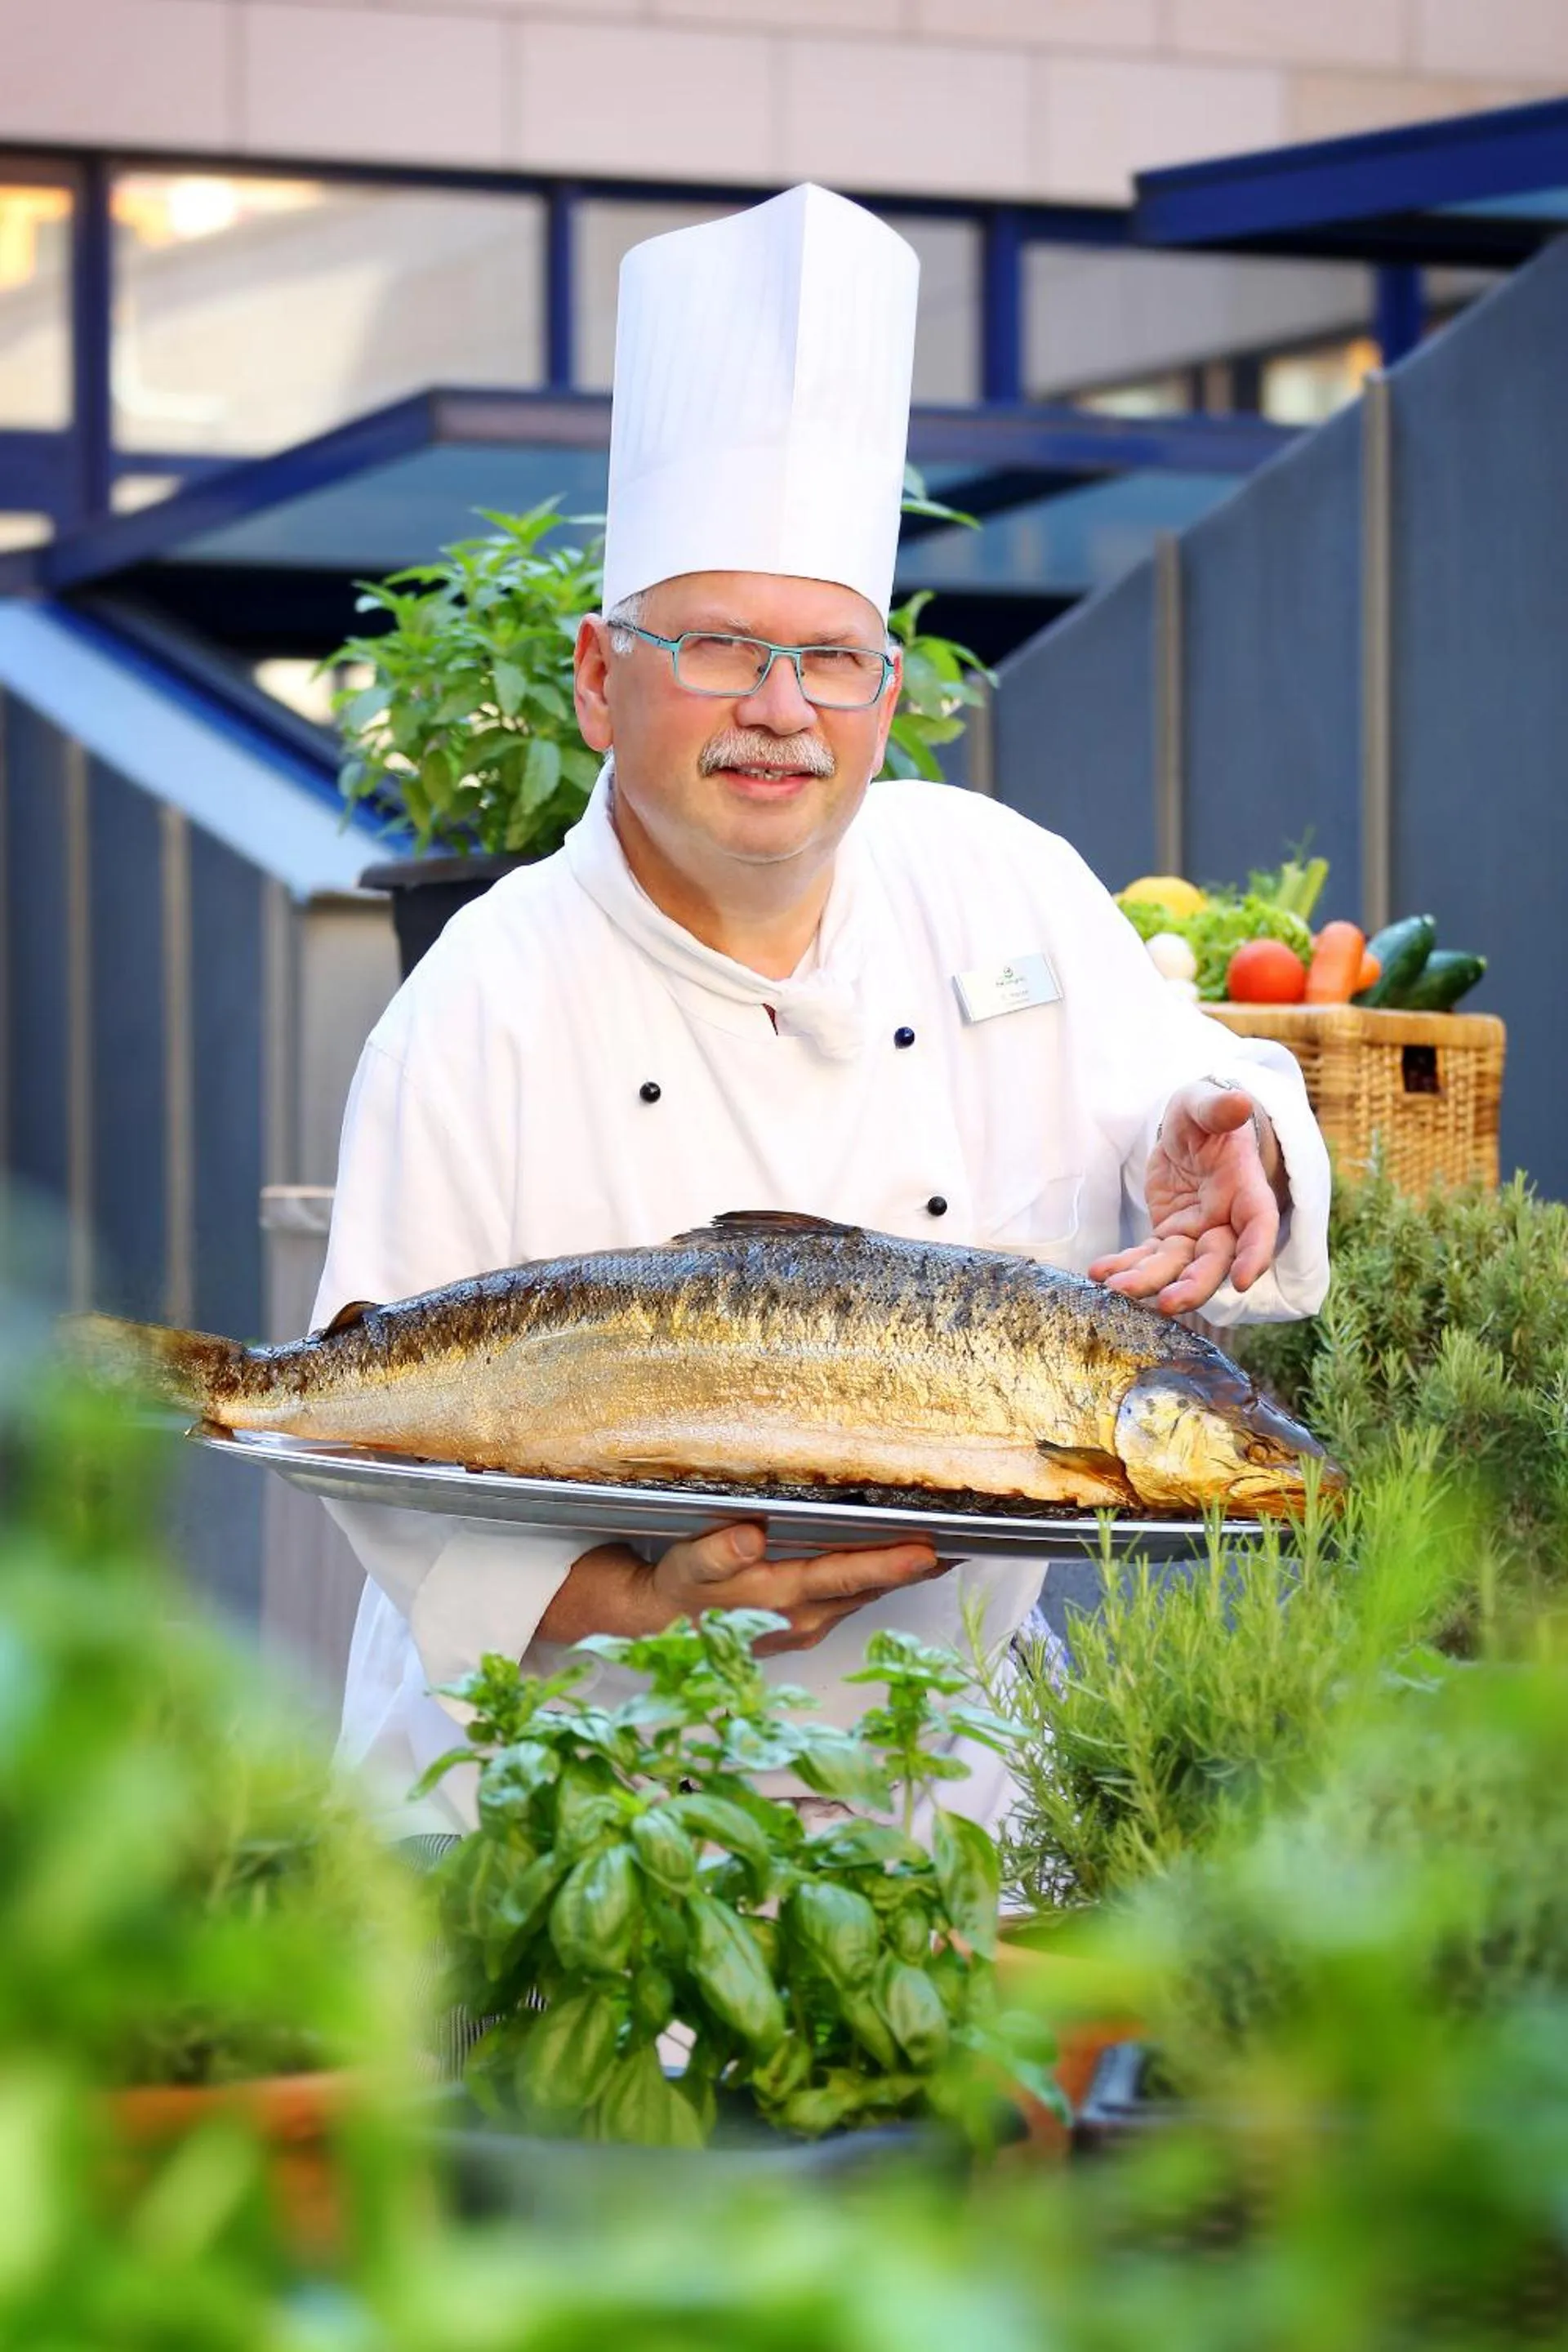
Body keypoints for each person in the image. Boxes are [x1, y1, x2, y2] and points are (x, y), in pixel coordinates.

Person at [316, 185, 1330, 1836]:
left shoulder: (1002, 884)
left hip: (952, 1796)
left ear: (886, 690)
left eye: (833, 657)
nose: (783, 711)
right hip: (570, 1803)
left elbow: (1217, 1111)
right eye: (720, 646)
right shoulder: (480, 1006)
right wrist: (631, 1604)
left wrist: (1241, 1155)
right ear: (599, 678)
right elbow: (375, 1455)